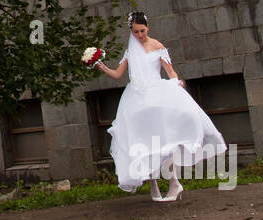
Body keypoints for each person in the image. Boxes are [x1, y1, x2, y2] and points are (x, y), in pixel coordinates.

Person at [88, 11, 227, 201]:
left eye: (142, 31)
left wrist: (176, 82)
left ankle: (174, 183)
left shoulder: (157, 46)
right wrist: (101, 66)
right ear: (131, 31)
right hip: (136, 99)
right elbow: (118, 74)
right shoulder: (130, 52)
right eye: (136, 32)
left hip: (156, 94)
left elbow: (170, 71)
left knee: (165, 141)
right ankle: (153, 185)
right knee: (143, 142)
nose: (139, 35)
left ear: (148, 27)